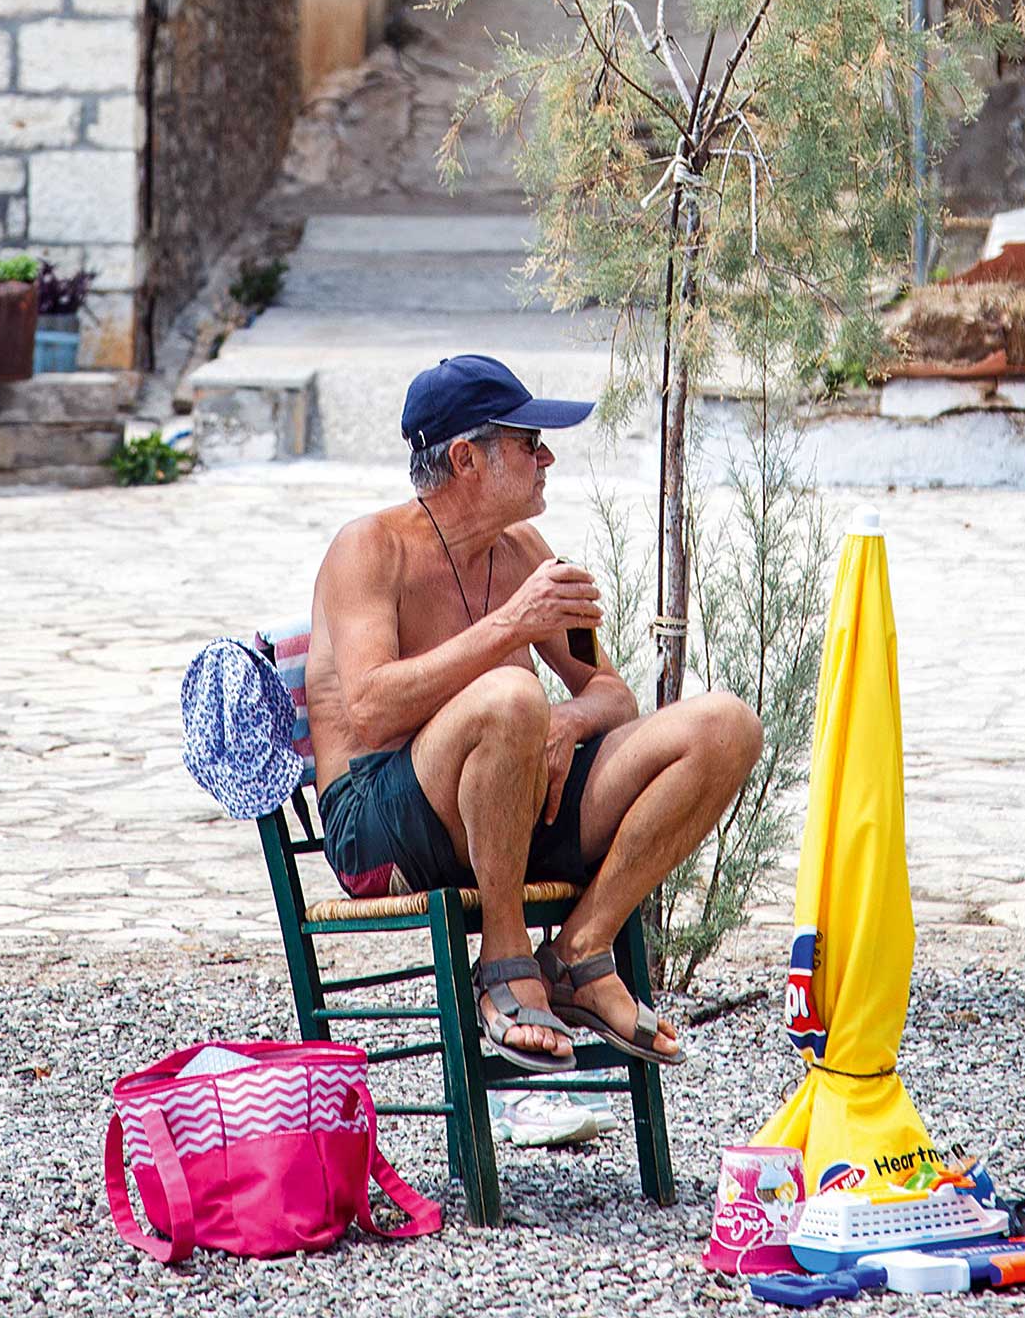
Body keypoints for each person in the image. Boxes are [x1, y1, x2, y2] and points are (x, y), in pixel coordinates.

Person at [305, 352, 763, 1073]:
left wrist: (568, 723)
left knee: (725, 725)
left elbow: (612, 693)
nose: (548, 456)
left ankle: (581, 950)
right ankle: (504, 959)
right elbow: (369, 709)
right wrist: (510, 631)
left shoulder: (525, 552)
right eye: (528, 442)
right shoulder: (370, 548)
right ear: (466, 459)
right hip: (382, 824)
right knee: (512, 695)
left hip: (508, 803)